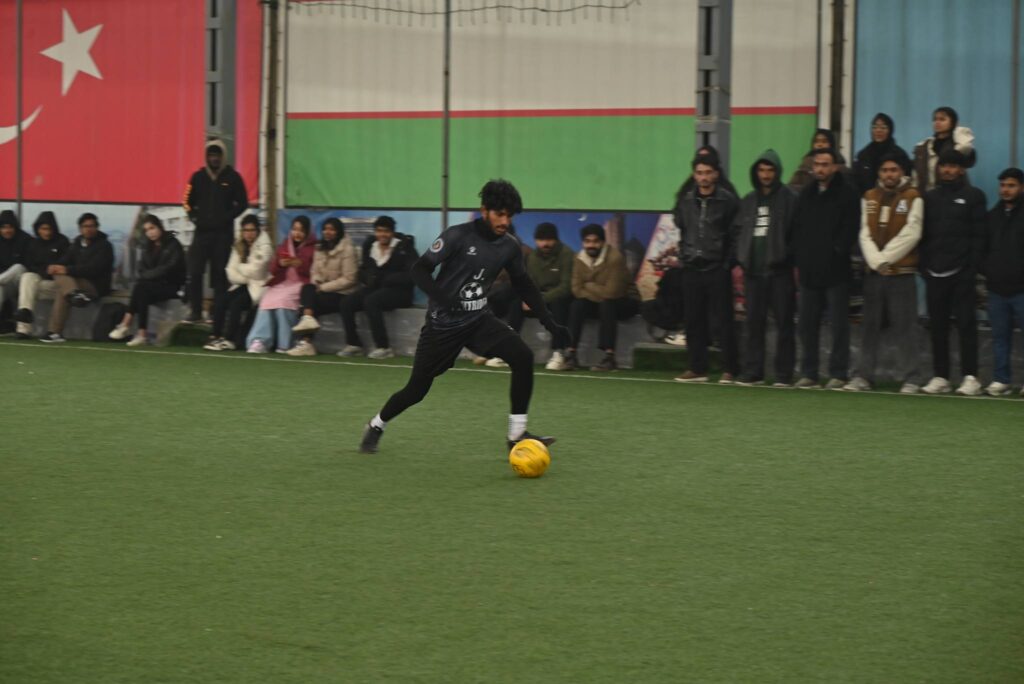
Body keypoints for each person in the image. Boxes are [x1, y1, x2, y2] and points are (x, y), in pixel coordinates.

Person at [358, 179, 570, 454]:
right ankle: (377, 424)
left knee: (522, 357)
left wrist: (549, 321)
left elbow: (524, 284)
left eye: (509, 215)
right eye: (499, 214)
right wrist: (446, 300)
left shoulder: (509, 246)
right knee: (416, 390)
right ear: (484, 211)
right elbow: (419, 270)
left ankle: (517, 434)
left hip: (478, 321)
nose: (505, 221)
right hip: (442, 327)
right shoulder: (457, 236)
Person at [844, 153, 923, 393]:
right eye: (885, 170)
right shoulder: (869, 196)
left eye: (893, 170)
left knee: (905, 327)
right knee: (869, 326)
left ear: (902, 172)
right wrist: (876, 262)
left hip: (901, 273)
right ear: (879, 173)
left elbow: (912, 233)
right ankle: (864, 376)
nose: (889, 174)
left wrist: (884, 259)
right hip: (874, 274)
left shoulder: (913, 196)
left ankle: (912, 378)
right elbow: (864, 233)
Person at [918, 148, 987, 395]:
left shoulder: (974, 196)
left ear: (961, 170)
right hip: (934, 273)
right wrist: (924, 268)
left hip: (962, 273)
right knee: (937, 327)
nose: (947, 170)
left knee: (967, 325)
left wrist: (971, 268)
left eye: (952, 166)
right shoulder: (929, 197)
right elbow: (922, 235)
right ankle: (941, 376)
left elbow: (979, 236)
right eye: (944, 165)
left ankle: (971, 377)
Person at [792, 148, 861, 389]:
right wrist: (801, 257)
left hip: (836, 271)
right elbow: (797, 227)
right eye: (817, 164)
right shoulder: (806, 193)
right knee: (806, 325)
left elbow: (851, 228)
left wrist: (837, 251)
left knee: (839, 325)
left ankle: (839, 373)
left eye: (825, 164)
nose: (820, 169)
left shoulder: (848, 193)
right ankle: (809, 373)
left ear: (835, 167)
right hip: (809, 270)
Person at [672, 154, 741, 383]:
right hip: (692, 267)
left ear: (716, 174)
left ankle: (730, 369)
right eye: (700, 173)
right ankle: (696, 368)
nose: (704, 177)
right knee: (693, 320)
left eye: (708, 173)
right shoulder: (686, 201)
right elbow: (683, 231)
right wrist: (684, 257)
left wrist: (727, 264)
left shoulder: (728, 201)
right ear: (694, 175)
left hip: (717, 267)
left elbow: (735, 235)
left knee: (724, 321)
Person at [733, 150, 798, 386]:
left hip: (780, 272)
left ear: (777, 172)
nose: (766, 175)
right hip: (753, 272)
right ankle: (753, 372)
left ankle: (783, 375)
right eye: (762, 170)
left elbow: (796, 233)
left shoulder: (790, 198)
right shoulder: (749, 200)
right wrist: (741, 257)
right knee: (753, 324)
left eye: (770, 170)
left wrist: (786, 257)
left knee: (784, 325)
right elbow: (738, 231)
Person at [556, 223, 639, 372]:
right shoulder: (579, 258)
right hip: (599, 301)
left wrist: (588, 285)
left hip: (626, 300)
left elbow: (612, 293)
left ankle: (609, 357)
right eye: (587, 241)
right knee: (577, 305)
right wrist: (595, 290)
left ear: (602, 242)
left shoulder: (614, 258)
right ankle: (571, 354)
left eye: (595, 241)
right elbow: (576, 290)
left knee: (607, 304)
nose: (591, 245)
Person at [182, 139, 248, 323]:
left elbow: (243, 203)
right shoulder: (197, 177)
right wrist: (194, 217)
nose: (214, 159)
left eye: (217, 155)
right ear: (206, 156)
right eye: (211, 155)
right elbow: (186, 201)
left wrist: (227, 217)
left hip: (223, 235)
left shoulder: (233, 177)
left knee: (220, 275)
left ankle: (216, 313)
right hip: (201, 234)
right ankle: (195, 311)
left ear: (223, 156)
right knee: (195, 272)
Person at [338, 215, 418, 359]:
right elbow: (362, 270)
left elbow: (413, 275)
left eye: (386, 231)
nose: (382, 234)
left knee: (371, 301)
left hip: (400, 292)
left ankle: (383, 347)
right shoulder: (370, 246)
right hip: (375, 288)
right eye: (379, 231)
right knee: (346, 303)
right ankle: (354, 344)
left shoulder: (405, 247)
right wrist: (367, 277)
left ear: (392, 232)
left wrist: (387, 278)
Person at [978, 168, 1024, 396]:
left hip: (1022, 289)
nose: (1006, 190)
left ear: (1021, 187)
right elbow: (982, 250)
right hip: (997, 289)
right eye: (1003, 185)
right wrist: (990, 272)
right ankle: (1001, 380)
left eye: (1011, 185)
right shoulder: (992, 216)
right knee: (999, 337)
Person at [108, 215, 186, 346]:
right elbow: (141, 268)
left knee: (141, 287)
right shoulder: (147, 246)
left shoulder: (173, 244)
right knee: (141, 290)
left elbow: (169, 268)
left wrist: (148, 276)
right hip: (151, 286)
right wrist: (147, 277)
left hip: (172, 286)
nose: (150, 232)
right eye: (146, 230)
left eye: (152, 228)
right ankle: (141, 333)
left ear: (160, 227)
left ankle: (126, 324)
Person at [289, 218, 359, 356]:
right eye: (325, 229)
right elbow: (314, 271)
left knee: (309, 304)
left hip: (343, 292)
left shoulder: (348, 249)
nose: (328, 232)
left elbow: (349, 279)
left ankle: (306, 341)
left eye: (332, 229)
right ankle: (307, 327)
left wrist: (323, 287)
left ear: (338, 232)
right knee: (307, 289)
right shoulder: (320, 248)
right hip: (324, 290)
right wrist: (317, 282)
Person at [245, 216, 316, 353]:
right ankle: (259, 340)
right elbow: (272, 269)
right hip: (282, 282)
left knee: (283, 303)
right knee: (267, 300)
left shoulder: (313, 248)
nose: (297, 233)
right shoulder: (284, 245)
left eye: (301, 230)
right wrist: (280, 264)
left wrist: (300, 265)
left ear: (307, 232)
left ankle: (285, 343)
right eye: (294, 229)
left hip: (301, 283)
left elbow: (316, 271)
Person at [39, 213, 114, 343]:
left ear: (97, 227)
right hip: (76, 284)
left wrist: (67, 270)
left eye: (92, 226)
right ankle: (74, 295)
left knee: (63, 284)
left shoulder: (105, 245)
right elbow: (65, 261)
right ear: (80, 228)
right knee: (60, 278)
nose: (89, 229)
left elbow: (94, 269)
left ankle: (55, 331)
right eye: (85, 226)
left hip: (95, 285)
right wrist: (55, 267)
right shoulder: (77, 243)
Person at [508, 222, 573, 370]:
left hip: (556, 298)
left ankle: (559, 353)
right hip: (539, 298)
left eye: (549, 239)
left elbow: (566, 287)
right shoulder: (533, 257)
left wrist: (539, 300)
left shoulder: (567, 254)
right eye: (541, 240)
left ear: (556, 240)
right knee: (516, 303)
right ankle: (507, 350)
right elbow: (529, 283)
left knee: (559, 304)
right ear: (536, 240)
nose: (545, 244)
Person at [204, 214, 273, 351]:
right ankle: (215, 336)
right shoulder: (239, 245)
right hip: (243, 284)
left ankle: (230, 340)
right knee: (221, 300)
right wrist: (246, 275)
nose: (248, 234)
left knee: (236, 303)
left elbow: (258, 272)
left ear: (258, 230)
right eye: (245, 230)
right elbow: (230, 271)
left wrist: (240, 267)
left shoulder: (265, 247)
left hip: (259, 287)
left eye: (252, 230)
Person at [14, 212, 69, 338]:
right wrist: (44, 271)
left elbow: (65, 264)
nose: (47, 232)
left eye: (49, 229)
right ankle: (23, 326)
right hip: (39, 281)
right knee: (27, 277)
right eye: (43, 229)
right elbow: (30, 265)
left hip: (57, 285)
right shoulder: (33, 243)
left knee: (28, 289)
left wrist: (50, 270)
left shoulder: (62, 242)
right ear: (38, 229)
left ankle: (24, 319)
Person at [912, 106, 975, 194]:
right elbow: (915, 173)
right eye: (935, 119)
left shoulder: (959, 144)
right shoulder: (924, 146)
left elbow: (969, 161)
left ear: (953, 122)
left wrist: (959, 132)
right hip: (927, 195)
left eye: (942, 119)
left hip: (955, 194)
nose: (937, 122)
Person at [852, 113, 911, 193]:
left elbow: (906, 180)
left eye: (883, 128)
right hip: (868, 198)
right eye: (875, 127)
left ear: (890, 130)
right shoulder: (863, 155)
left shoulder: (899, 154)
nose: (878, 130)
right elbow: (856, 181)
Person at [673, 144, 738, 204]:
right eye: (700, 157)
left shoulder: (728, 197)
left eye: (707, 158)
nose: (703, 177)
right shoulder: (686, 195)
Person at [0, 209, 31, 327]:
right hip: (5, 283)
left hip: (20, 281)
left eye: (10, 227)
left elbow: (28, 264)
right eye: (3, 227)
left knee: (18, 267)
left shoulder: (25, 239)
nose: (7, 230)